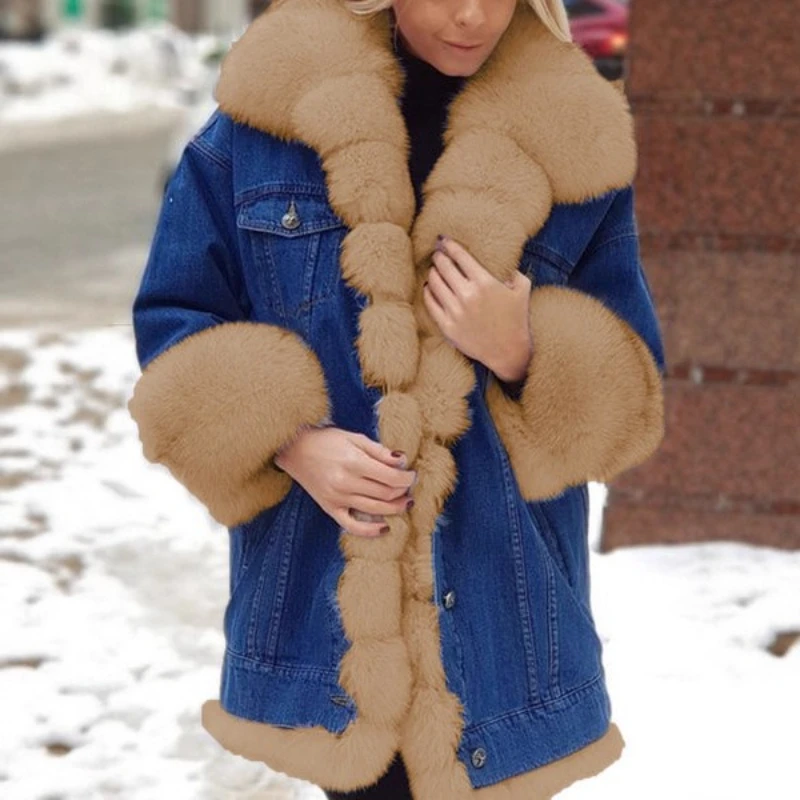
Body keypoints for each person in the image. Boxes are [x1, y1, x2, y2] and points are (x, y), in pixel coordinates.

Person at [127, 1, 667, 798]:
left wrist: (522, 349)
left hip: (504, 628)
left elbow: (630, 406)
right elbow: (176, 318)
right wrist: (289, 441)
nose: (471, 13)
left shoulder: (574, 145)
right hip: (331, 618)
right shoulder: (262, 126)